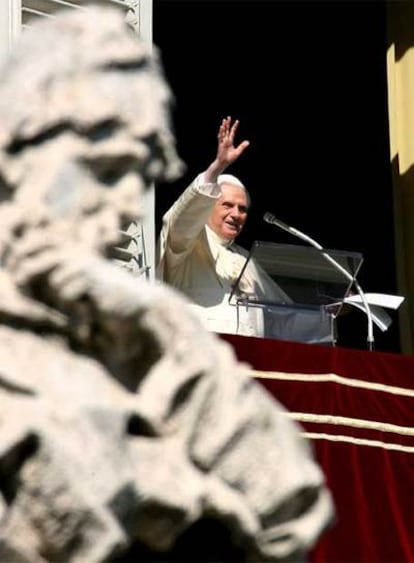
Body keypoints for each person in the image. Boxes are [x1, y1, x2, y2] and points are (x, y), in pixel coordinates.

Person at [157, 116, 291, 337]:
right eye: (227, 205)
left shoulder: (248, 260)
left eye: (242, 208)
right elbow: (182, 218)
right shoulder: (186, 244)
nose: (236, 214)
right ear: (208, 206)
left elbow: (286, 313)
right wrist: (217, 168)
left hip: (249, 365)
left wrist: (331, 307)